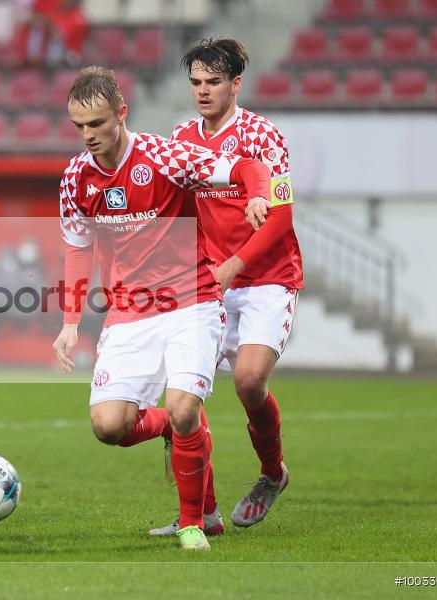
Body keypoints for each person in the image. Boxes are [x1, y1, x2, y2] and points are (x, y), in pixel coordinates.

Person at [51, 66, 272, 550]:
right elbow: (77, 249)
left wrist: (257, 195)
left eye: (97, 123)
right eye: (79, 126)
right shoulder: (75, 178)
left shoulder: (165, 156)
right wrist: (69, 324)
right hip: (129, 313)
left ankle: (195, 522)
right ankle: (175, 429)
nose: (88, 135)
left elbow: (247, 168)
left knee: (184, 406)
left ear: (121, 113)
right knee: (109, 427)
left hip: (192, 303)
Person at [150, 38, 304, 537]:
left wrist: (233, 266)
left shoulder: (263, 135)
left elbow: (281, 217)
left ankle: (272, 474)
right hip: (209, 281)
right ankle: (205, 513)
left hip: (266, 278)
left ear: (236, 84)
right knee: (183, 397)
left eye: (213, 82)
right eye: (195, 82)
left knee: (249, 382)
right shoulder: (181, 137)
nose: (203, 91)